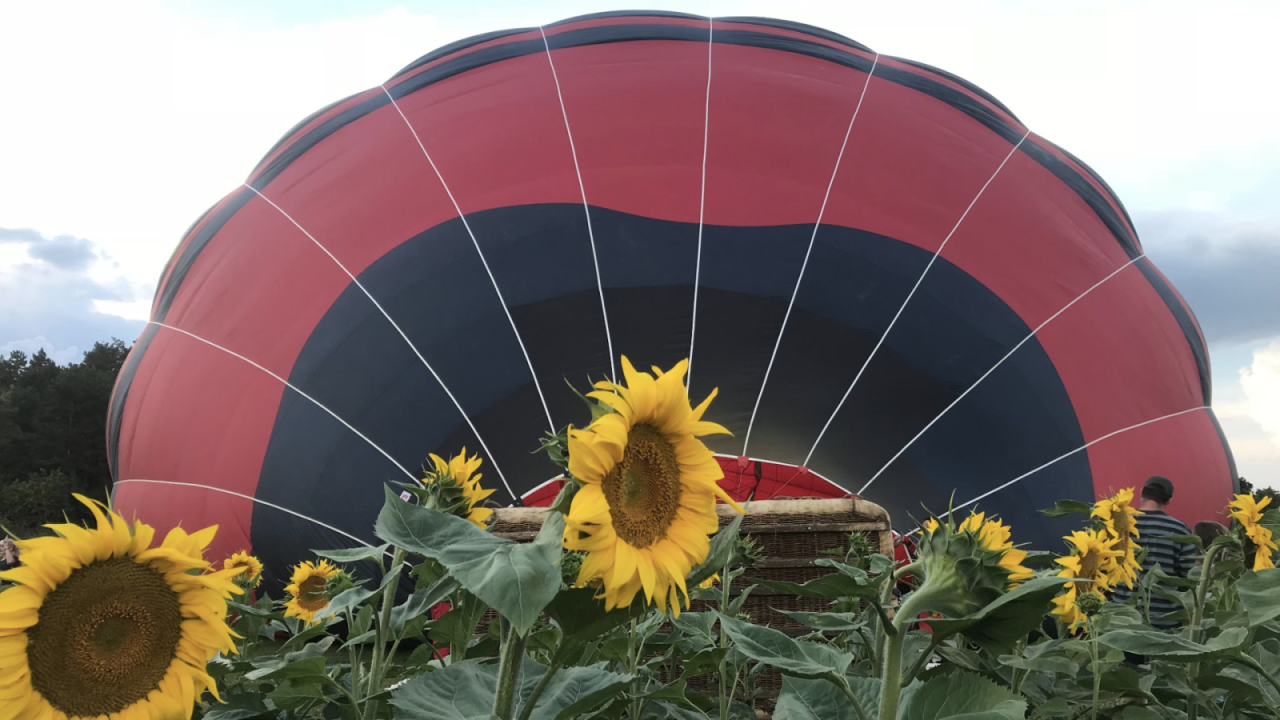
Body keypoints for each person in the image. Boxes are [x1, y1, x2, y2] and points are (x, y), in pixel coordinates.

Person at [1112, 476, 1197, 629]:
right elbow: (1189, 577)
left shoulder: (1119, 524)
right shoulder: (1179, 529)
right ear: (1168, 501)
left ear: (1141, 493)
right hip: (1163, 619)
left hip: (1121, 618)